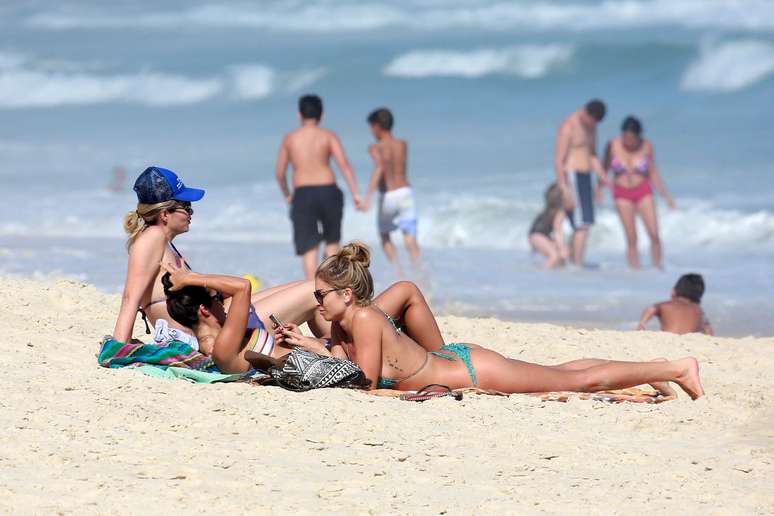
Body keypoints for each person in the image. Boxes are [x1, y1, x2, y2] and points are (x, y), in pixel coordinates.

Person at [279, 242, 705, 399]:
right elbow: (343, 360)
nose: (315, 302)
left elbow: (364, 383)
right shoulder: (339, 326)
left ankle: (675, 367)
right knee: (559, 373)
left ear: (347, 294)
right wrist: (308, 344)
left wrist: (315, 358)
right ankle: (643, 373)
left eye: (321, 295)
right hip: (451, 360)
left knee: (577, 382)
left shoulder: (367, 319)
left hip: (469, 370)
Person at [112, 166, 331, 352]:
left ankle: (337, 348)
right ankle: (343, 352)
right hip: (213, 336)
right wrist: (119, 347)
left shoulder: (163, 242)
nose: (191, 212)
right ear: (164, 214)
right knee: (314, 290)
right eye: (186, 206)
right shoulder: (151, 238)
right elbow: (130, 297)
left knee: (311, 286)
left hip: (218, 320)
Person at [161, 260, 446, 373]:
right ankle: (443, 358)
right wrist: (193, 278)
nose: (223, 303)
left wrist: (294, 337)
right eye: (216, 300)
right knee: (406, 291)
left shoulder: (222, 340)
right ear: (204, 311)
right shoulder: (220, 345)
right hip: (328, 356)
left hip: (319, 347)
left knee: (403, 295)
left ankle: (436, 358)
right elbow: (242, 287)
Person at [275, 94, 364, 280]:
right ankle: (331, 288)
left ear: (299, 115)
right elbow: (344, 165)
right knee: (332, 242)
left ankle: (312, 295)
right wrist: (355, 193)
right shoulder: (328, 136)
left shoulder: (290, 139)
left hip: (303, 193)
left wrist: (287, 194)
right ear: (322, 115)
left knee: (309, 248)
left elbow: (280, 173)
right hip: (328, 190)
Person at [604, 116, 676, 269]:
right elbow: (604, 169)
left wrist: (666, 197)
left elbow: (653, 173)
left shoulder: (646, 146)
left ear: (638, 136)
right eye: (626, 137)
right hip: (622, 193)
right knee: (631, 238)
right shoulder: (613, 145)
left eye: (632, 138)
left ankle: (657, 268)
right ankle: (635, 274)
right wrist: (599, 189)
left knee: (654, 234)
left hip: (643, 190)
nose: (628, 141)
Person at [362, 108, 420, 272]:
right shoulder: (402, 144)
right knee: (410, 238)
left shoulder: (376, 147)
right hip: (406, 194)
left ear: (377, 126)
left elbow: (380, 167)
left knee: (384, 235)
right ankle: (419, 276)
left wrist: (368, 197)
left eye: (371, 127)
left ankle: (400, 272)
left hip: (388, 195)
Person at [554, 99, 609, 265]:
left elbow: (592, 154)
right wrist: (564, 188)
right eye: (592, 121)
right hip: (572, 176)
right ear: (586, 113)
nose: (593, 125)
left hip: (586, 177)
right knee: (582, 225)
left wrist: (601, 178)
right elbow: (559, 160)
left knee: (586, 223)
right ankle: (577, 266)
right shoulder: (569, 126)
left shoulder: (592, 126)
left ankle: (576, 263)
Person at [638, 274, 713, 335]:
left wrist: (642, 323)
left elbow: (652, 308)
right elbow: (707, 328)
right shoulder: (699, 310)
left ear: (673, 291)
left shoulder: (666, 305)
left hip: (668, 339)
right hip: (689, 343)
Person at [528, 183, 569, 269]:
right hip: (538, 236)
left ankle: (556, 275)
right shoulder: (560, 211)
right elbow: (557, 230)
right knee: (554, 256)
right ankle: (542, 275)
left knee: (560, 256)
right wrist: (561, 247)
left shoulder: (549, 208)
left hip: (535, 235)